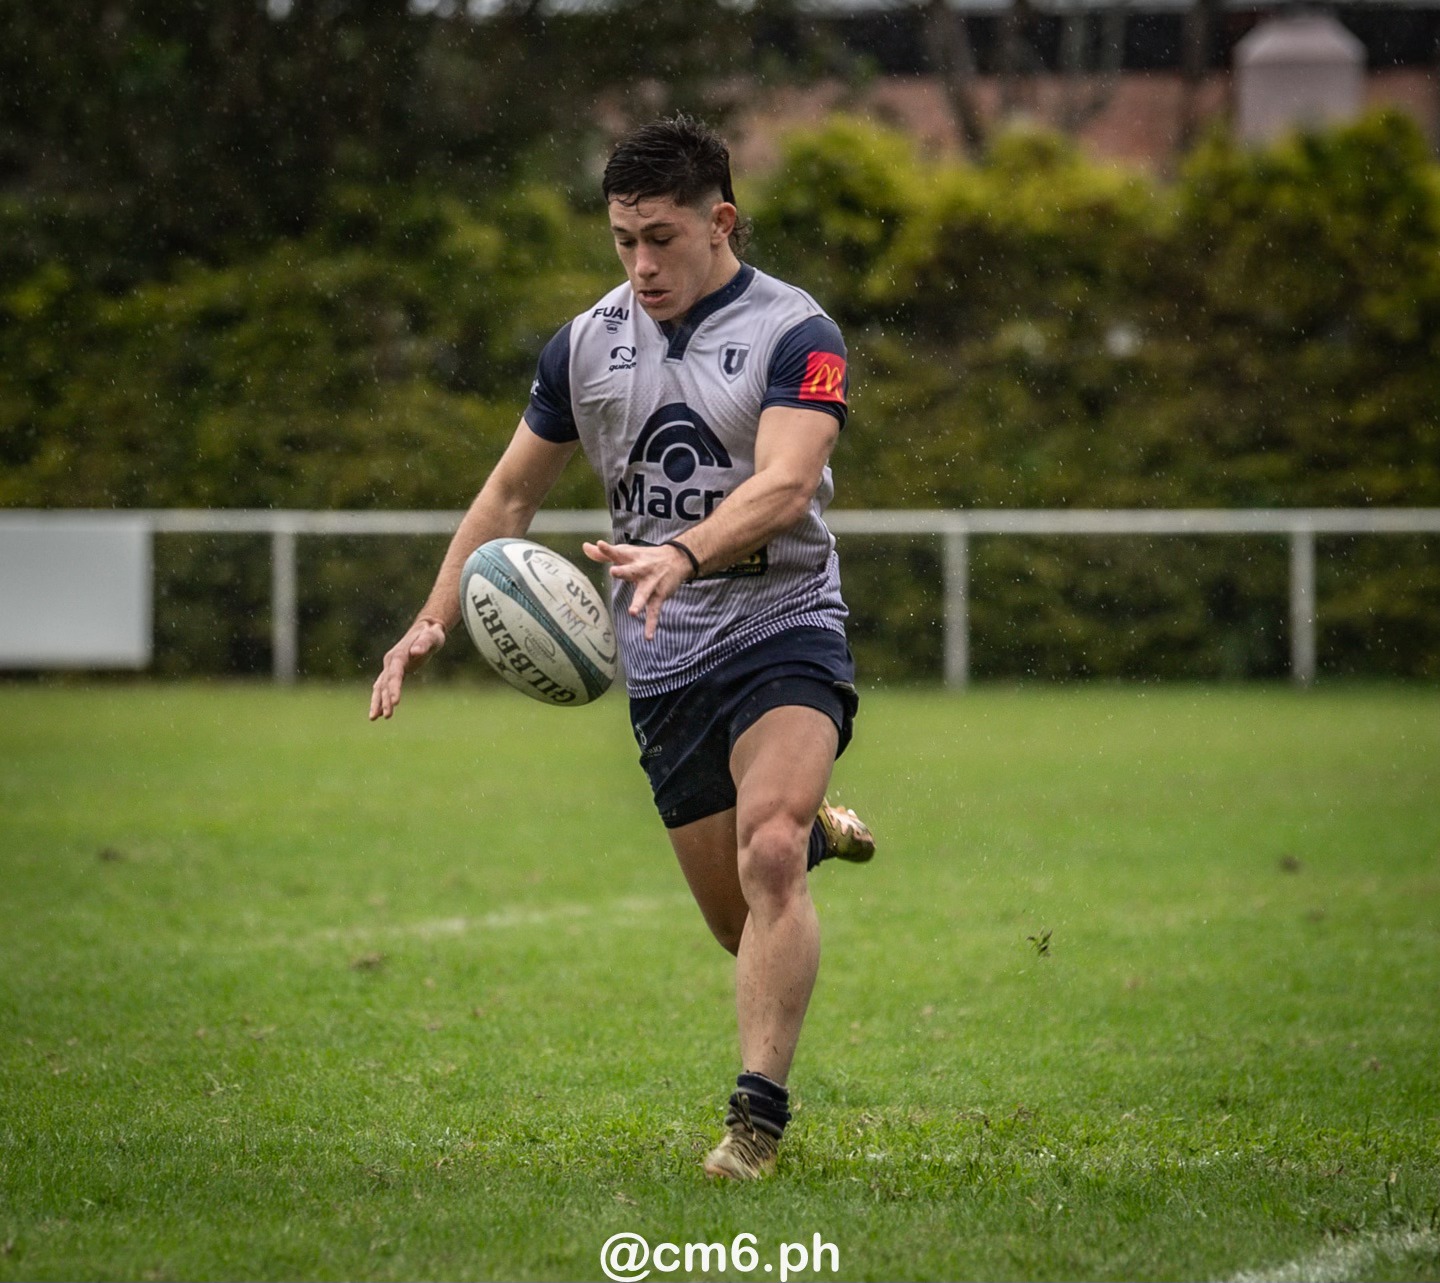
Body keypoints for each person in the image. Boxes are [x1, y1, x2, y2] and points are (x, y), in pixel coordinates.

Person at [369, 114, 875, 1181]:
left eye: (661, 236)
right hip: (662, 656)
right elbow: (511, 492)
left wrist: (682, 550)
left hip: (784, 617)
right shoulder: (585, 344)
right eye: (622, 240)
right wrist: (432, 617)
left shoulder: (798, 330)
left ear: (719, 221)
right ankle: (809, 827)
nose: (641, 263)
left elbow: (785, 485)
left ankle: (755, 1121)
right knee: (737, 921)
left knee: (768, 846)